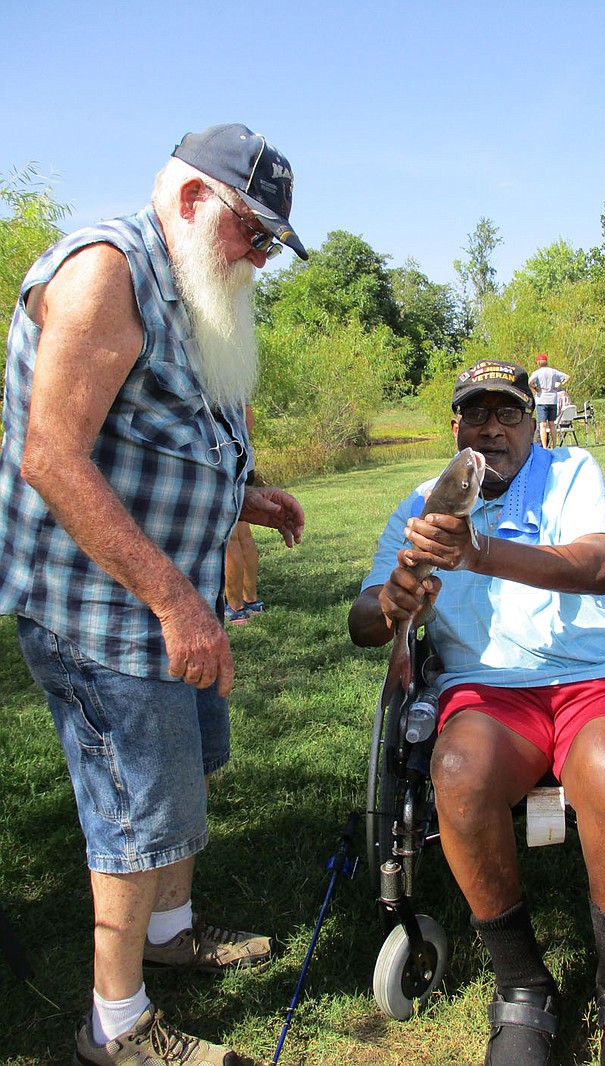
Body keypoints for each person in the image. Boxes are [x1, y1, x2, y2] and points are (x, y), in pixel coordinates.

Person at [0, 123, 307, 1066]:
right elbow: (51, 453)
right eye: (251, 232)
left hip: (168, 606)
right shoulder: (105, 273)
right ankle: (117, 1026)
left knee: (177, 784)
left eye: (270, 243)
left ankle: (171, 938)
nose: (259, 256)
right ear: (188, 200)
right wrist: (178, 603)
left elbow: (156, 431)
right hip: (102, 613)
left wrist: (242, 497)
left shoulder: (186, 284)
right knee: (134, 812)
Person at [348, 359, 605, 1066]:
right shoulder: (422, 503)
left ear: (534, 422)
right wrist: (397, 593)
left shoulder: (572, 472)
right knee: (458, 769)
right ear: (457, 426)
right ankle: (524, 987)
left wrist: (478, 552)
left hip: (598, 675)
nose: (492, 428)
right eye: (477, 414)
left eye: (508, 414)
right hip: (489, 688)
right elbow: (362, 621)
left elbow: (596, 567)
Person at [225, 404, 264, 625]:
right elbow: (249, 419)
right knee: (243, 535)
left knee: (230, 537)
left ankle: (235, 608)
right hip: (243, 461)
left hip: (224, 460)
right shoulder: (236, 376)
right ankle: (252, 601)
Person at [530, 352, 569, 449]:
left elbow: (530, 381)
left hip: (541, 400)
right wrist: (559, 385)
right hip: (552, 399)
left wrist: (535, 387)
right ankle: (555, 445)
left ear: (538, 362)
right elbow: (567, 377)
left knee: (543, 425)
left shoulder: (537, 373)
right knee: (552, 424)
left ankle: (544, 447)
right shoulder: (553, 372)